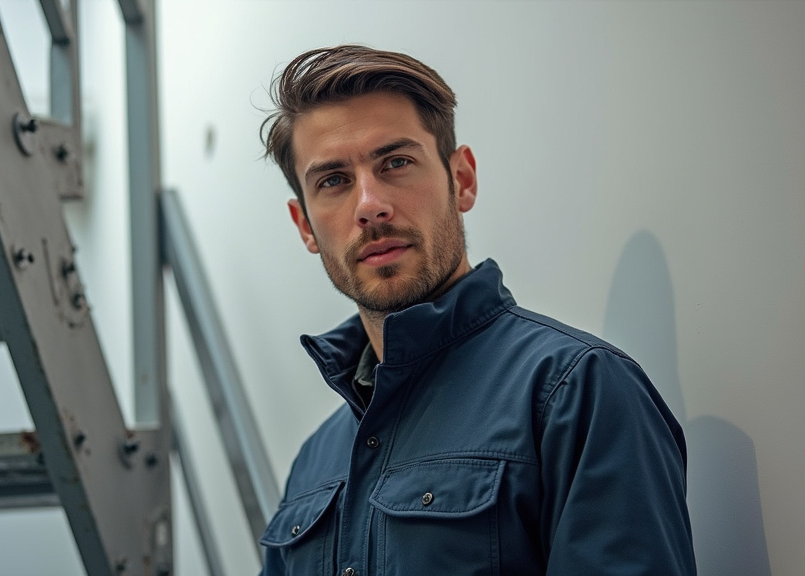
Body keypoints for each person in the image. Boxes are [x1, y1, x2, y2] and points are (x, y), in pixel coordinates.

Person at [257, 45, 696, 575]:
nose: (369, 204)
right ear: (305, 225)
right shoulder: (314, 462)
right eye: (333, 181)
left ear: (461, 179)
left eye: (395, 162)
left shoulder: (575, 392)